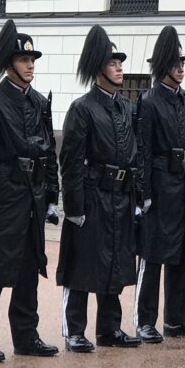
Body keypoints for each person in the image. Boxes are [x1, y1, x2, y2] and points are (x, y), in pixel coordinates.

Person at [0, 20, 60, 362]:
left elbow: (49, 153)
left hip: (31, 196)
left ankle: (26, 335)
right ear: (9, 64)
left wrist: (51, 196)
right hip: (3, 194)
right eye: (23, 59)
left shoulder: (38, 101)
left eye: (32, 58)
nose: (30, 64)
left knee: (28, 269)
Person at [56, 26, 142, 351]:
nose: (120, 68)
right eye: (112, 63)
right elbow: (72, 160)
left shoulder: (126, 107)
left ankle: (110, 327)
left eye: (120, 63)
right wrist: (75, 206)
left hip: (120, 195)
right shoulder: (82, 108)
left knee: (116, 262)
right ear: (99, 69)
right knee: (82, 264)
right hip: (92, 195)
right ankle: (75, 329)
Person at [133, 26, 185, 343]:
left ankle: (177, 319)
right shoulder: (148, 102)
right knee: (152, 255)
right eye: (176, 63)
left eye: (183, 63)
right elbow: (143, 151)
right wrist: (144, 194)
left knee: (182, 255)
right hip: (161, 184)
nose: (181, 68)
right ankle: (145, 320)